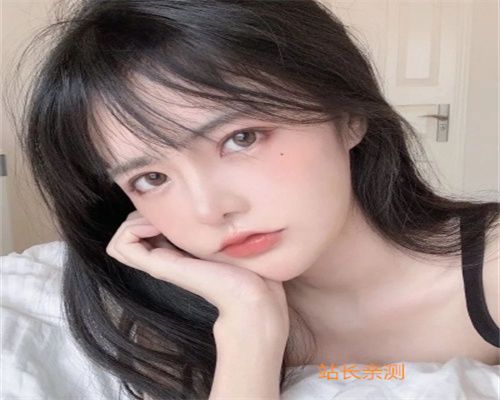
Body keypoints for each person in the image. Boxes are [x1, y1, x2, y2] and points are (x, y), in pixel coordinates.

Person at [11, 0, 499, 398]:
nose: (209, 210)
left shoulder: (490, 270)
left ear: (349, 116)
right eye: (151, 178)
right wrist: (249, 327)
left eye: (241, 138)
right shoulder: (174, 318)